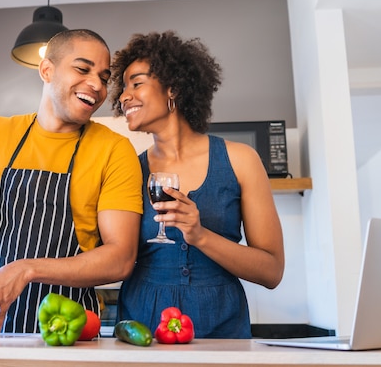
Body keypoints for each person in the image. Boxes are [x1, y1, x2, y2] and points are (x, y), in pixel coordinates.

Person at [0, 29, 143, 335]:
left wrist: (26, 269)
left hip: (69, 331)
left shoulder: (114, 150)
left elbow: (120, 260)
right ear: (46, 70)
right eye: (82, 69)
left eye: (104, 78)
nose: (96, 85)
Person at [109, 30, 285, 338]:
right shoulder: (128, 169)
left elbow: (272, 271)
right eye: (122, 88)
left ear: (173, 88)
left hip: (221, 323)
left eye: (136, 83)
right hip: (142, 322)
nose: (124, 96)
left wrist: (200, 236)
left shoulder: (241, 160)